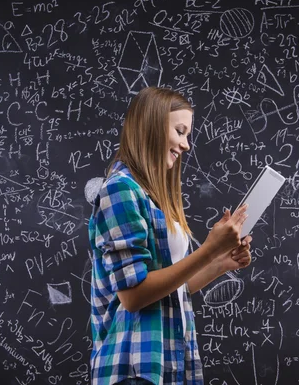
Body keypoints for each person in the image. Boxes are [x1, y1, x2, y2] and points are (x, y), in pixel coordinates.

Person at [88, 87, 253, 385]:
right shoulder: (119, 190)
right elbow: (134, 296)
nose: (186, 145)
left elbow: (171, 289)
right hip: (135, 367)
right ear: (151, 126)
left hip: (170, 363)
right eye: (180, 131)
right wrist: (208, 250)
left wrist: (220, 262)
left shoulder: (150, 198)